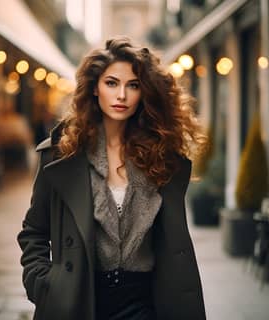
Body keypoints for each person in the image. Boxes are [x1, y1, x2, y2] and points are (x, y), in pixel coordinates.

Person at [17, 35, 207, 320]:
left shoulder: (161, 158)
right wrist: (45, 285)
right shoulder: (61, 156)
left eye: (133, 85)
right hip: (79, 300)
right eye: (111, 83)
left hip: (145, 303)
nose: (122, 96)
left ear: (144, 93)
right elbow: (34, 232)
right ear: (95, 88)